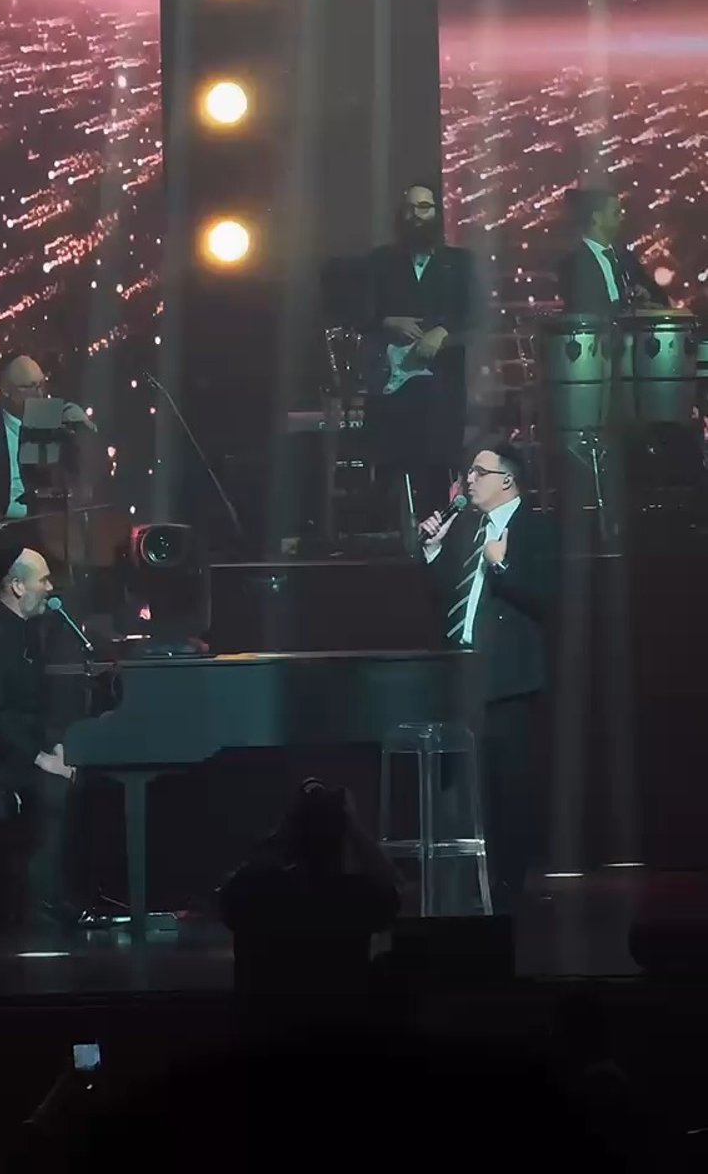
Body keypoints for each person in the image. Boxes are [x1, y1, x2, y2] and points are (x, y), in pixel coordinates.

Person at [419, 440, 557, 915]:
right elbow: (449, 599)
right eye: (469, 472)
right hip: (462, 674)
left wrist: (504, 565)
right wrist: (433, 550)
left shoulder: (536, 529)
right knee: (460, 786)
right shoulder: (467, 529)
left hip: (509, 680)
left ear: (507, 480)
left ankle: (509, 889)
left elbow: (548, 595)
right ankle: (462, 885)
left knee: (508, 789)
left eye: (479, 472)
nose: (469, 480)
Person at [0, 546, 77, 924]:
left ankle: (61, 891)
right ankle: (40, 903)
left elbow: (32, 706)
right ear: (18, 587)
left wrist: (57, 746)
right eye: (44, 580)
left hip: (14, 750)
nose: (50, 588)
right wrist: (41, 759)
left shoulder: (23, 631)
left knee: (75, 778)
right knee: (53, 788)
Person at [361, 183, 482, 521]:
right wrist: (389, 321)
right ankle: (391, 526)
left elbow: (476, 314)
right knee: (393, 465)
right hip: (391, 384)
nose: (416, 215)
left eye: (424, 207)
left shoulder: (460, 262)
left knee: (438, 463)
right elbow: (358, 313)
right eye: (410, 208)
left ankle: (436, 528)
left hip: (442, 384)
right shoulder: (380, 261)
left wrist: (443, 332)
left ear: (437, 213)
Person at [0, 351, 93, 613]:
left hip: (39, 528)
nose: (39, 394)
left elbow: (70, 475)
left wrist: (78, 431)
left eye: (41, 384)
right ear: (5, 391)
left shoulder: (47, 421)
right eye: (29, 387)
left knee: (72, 571)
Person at [217, 779, 401, 994]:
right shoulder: (355, 896)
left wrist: (284, 831)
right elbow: (394, 888)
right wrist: (353, 827)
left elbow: (231, 893)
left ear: (291, 837)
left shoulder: (257, 896)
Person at [557, 188, 670, 315]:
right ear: (597, 218)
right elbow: (584, 309)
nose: (621, 218)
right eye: (616, 213)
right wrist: (625, 307)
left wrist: (646, 296)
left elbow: (659, 296)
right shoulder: (573, 265)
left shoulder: (626, 258)